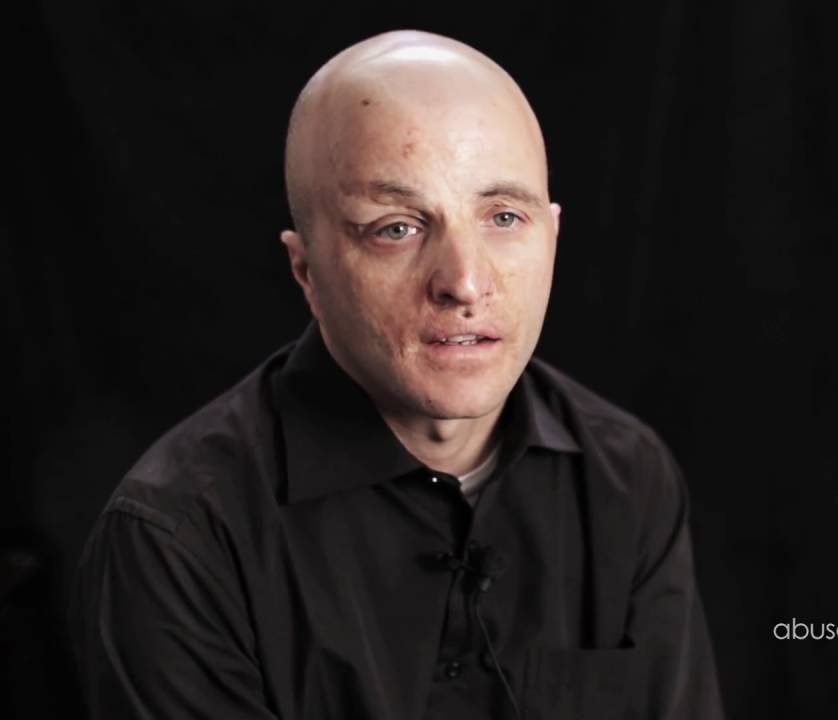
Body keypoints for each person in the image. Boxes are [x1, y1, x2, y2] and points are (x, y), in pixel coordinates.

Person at [68, 30, 723, 719]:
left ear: (552, 236)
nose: (464, 282)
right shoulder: (179, 541)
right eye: (397, 228)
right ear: (306, 270)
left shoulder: (627, 479)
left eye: (504, 217)